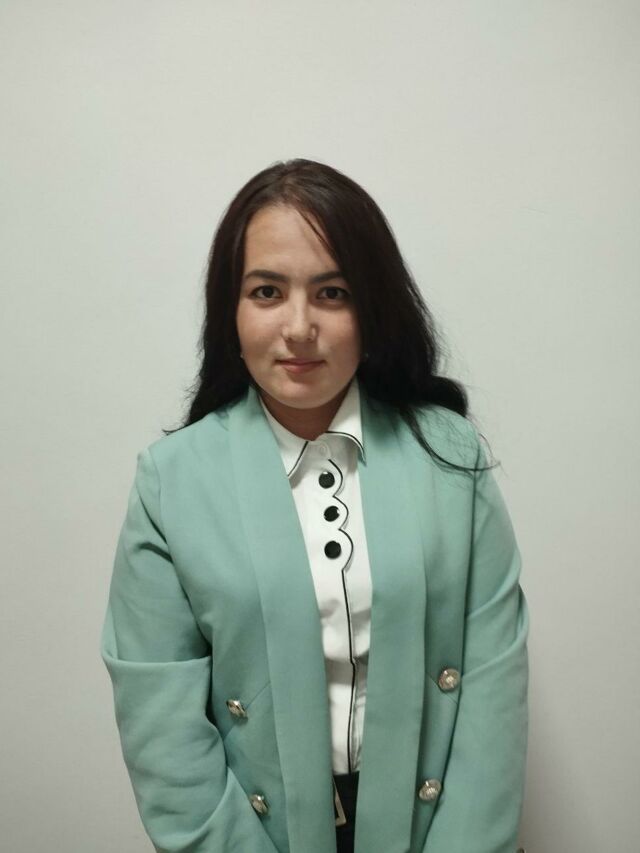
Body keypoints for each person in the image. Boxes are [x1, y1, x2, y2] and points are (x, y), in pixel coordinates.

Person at [100, 158, 529, 853]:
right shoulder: (170, 481)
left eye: (332, 292)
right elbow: (163, 731)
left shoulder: (452, 455)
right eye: (267, 291)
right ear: (231, 310)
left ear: (372, 308)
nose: (299, 327)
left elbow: (493, 693)